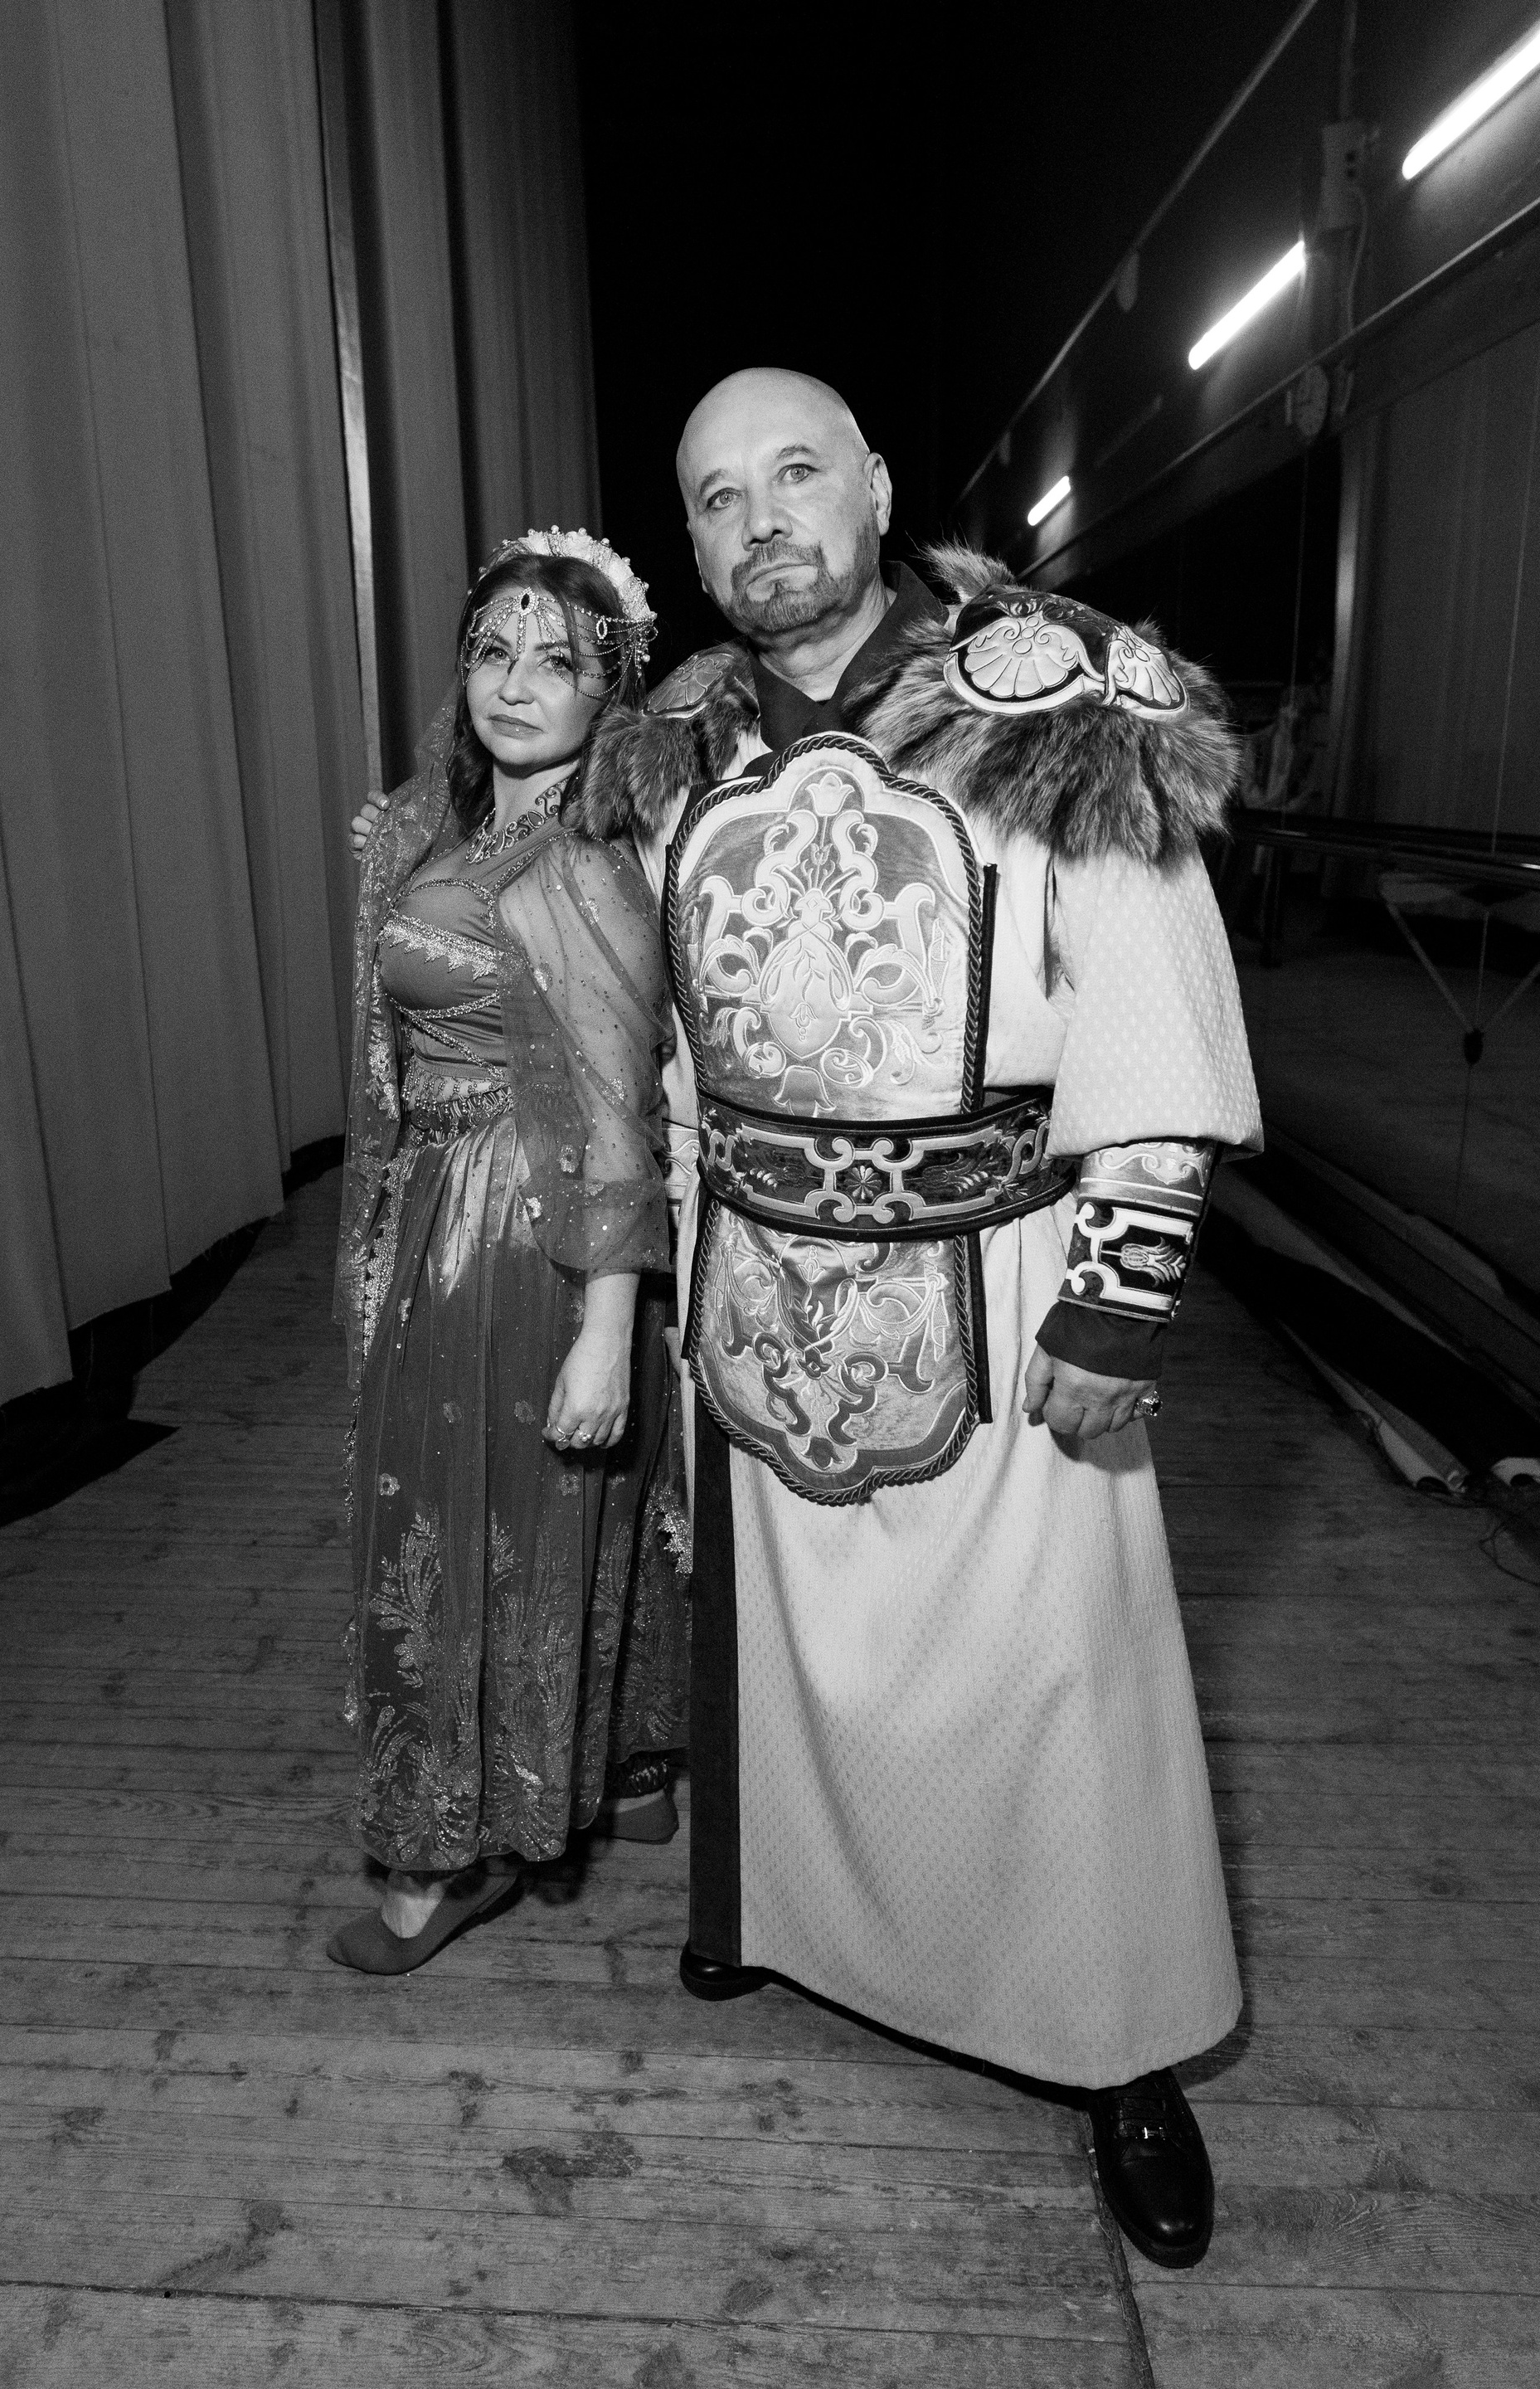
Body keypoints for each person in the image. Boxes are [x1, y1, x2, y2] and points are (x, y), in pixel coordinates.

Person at [579, 370, 1262, 2270]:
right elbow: (670, 1050)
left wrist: (1122, 1297)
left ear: (877, 488)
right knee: (799, 1669)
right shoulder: (673, 749)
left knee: (1064, 1679)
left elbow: (1151, 992)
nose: (762, 522)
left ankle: (1118, 2046)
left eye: (796, 474)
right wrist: (673, 1278)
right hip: (760, 1296)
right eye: (718, 497)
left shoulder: (1051, 700)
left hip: (1006, 1279)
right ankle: (790, 1925)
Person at [329, 529, 687, 1975]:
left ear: (612, 692)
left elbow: (618, 1116)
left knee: (466, 1534)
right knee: (535, 1520)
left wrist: (607, 1332)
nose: (516, 683)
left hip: (521, 1235)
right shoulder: (459, 832)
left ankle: (446, 1852)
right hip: (448, 1205)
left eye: (559, 660)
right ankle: (632, 1772)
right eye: (493, 651)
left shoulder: (580, 866)